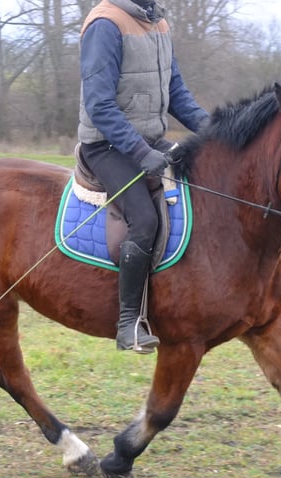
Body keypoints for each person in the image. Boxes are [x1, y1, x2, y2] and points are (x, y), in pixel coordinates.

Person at [78, 0, 209, 353]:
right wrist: (140, 152)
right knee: (145, 219)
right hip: (106, 147)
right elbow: (99, 104)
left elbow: (177, 93)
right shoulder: (106, 24)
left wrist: (216, 130)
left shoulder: (158, 23)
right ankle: (129, 323)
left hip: (148, 140)